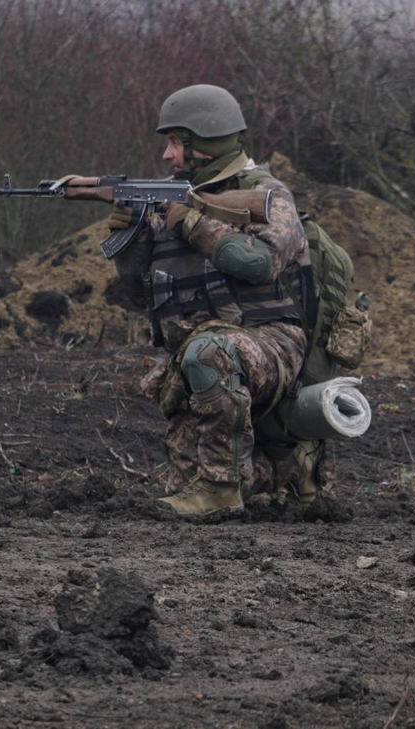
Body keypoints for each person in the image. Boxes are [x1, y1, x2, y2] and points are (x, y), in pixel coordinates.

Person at [110, 84, 319, 518]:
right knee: (182, 486)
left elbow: (261, 265)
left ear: (202, 141)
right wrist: (130, 240)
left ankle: (221, 490)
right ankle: (282, 471)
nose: (167, 156)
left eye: (173, 142)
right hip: (195, 352)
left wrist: (191, 222)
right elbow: (137, 297)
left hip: (270, 341)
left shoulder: (267, 194)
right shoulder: (168, 200)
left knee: (210, 352)